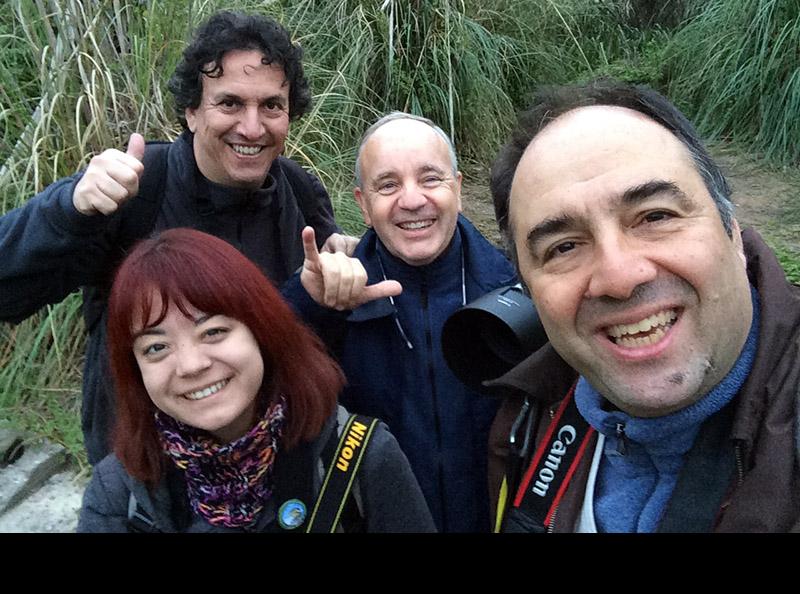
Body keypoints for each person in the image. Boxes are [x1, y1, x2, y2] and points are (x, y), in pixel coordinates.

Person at [0, 10, 370, 465]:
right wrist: (68, 210)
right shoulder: (134, 192)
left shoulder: (299, 190)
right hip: (151, 474)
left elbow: (314, 320)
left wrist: (341, 271)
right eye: (230, 103)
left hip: (273, 464)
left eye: (271, 106)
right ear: (192, 112)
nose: (253, 127)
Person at [487, 77, 800, 533]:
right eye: (564, 247)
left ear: (731, 231)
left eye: (655, 216)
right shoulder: (525, 421)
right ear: (530, 291)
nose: (619, 277)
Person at [77, 228, 434, 533]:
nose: (190, 365)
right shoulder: (119, 493)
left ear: (262, 332)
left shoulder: (361, 460)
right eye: (156, 347)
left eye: (213, 331)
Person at [285, 112, 517, 533]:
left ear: (458, 190)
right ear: (363, 205)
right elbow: (260, 376)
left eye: (430, 179)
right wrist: (309, 303)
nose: (412, 200)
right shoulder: (331, 300)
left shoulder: (517, 291)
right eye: (388, 185)